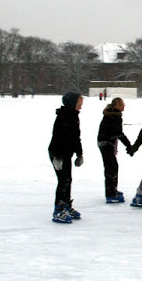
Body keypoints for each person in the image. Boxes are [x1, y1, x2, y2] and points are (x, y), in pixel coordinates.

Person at [48, 92, 84, 223]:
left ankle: (66, 205)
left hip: (67, 154)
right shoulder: (62, 118)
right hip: (57, 153)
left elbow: (76, 138)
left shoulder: (74, 117)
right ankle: (58, 209)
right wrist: (57, 157)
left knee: (68, 179)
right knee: (63, 180)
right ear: (71, 104)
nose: (80, 108)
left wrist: (79, 154)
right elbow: (57, 138)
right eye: (78, 105)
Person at [98, 97, 133, 203]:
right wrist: (128, 145)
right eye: (122, 104)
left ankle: (113, 190)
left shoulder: (113, 114)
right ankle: (110, 194)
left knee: (113, 166)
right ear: (116, 105)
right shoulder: (114, 116)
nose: (124, 106)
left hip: (106, 142)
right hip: (106, 142)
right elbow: (119, 133)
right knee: (111, 167)